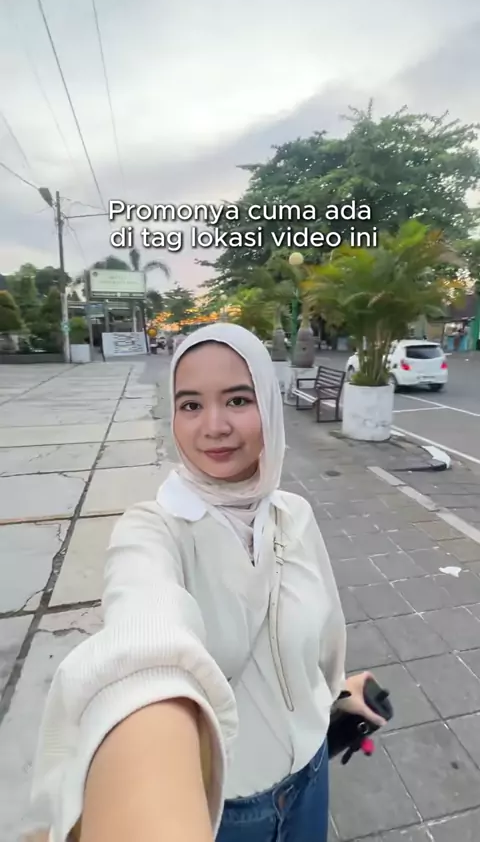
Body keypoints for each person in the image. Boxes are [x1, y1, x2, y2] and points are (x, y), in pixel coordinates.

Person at [28, 323, 385, 842]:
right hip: (228, 812)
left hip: (312, 779)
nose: (214, 426)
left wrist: (335, 691)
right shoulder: (152, 530)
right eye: (191, 405)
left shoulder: (293, 515)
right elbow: (144, 635)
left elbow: (324, 630)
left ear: (269, 406)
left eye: (237, 400)